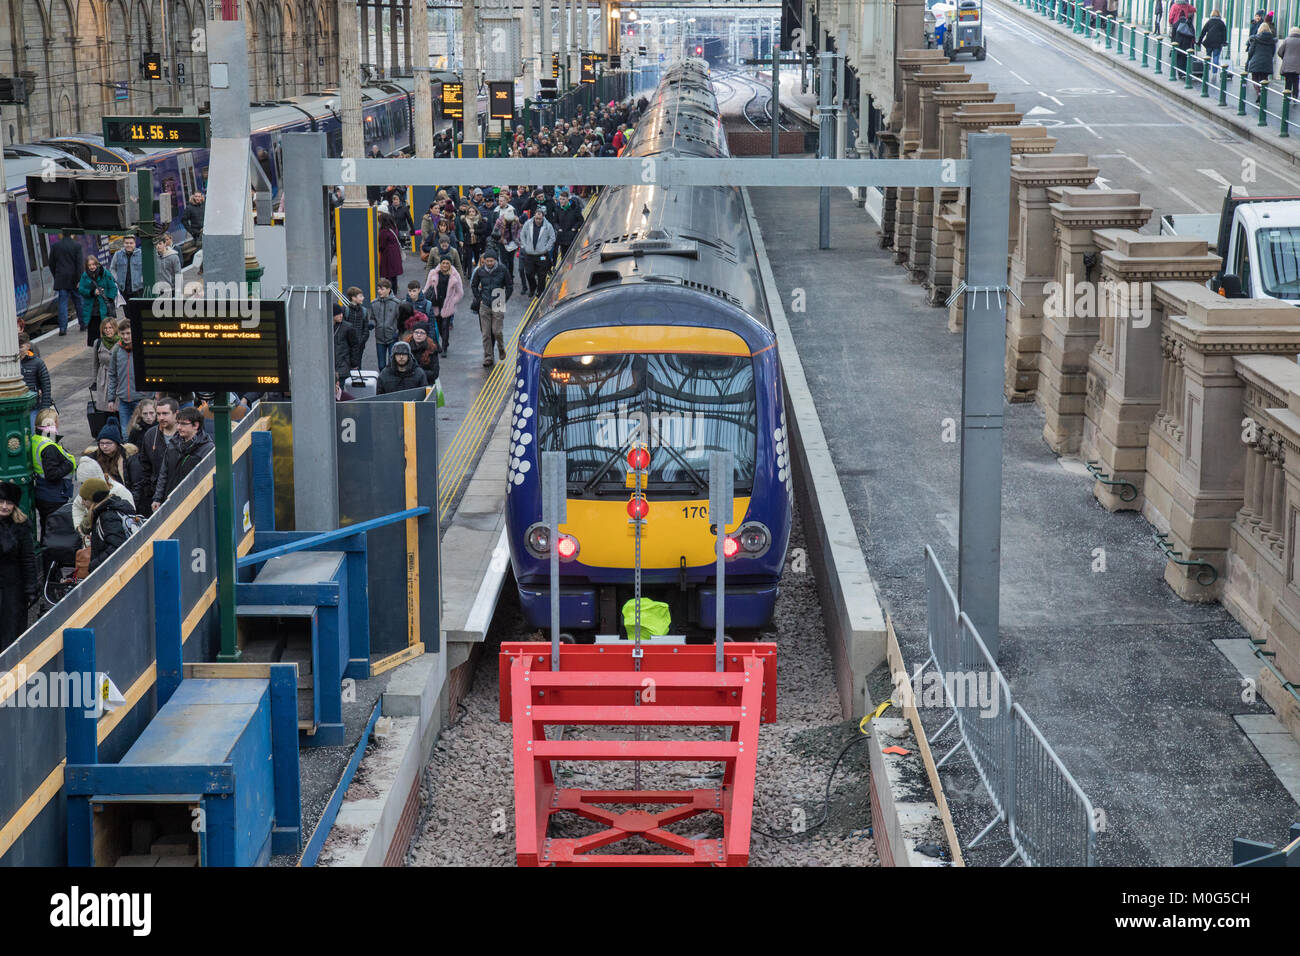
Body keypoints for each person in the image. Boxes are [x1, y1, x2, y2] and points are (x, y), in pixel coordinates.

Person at [151, 407, 213, 511]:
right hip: (170, 501)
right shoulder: (173, 444)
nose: (179, 427)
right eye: (178, 423)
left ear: (196, 425)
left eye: (183, 424)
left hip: (194, 505)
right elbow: (163, 473)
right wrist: (157, 498)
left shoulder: (207, 448)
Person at [0, 482, 37, 645]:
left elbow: (28, 559)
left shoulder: (21, 526)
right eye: (1, 502)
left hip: (13, 587)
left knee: (11, 630)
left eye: (9, 503)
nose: (4, 506)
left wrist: (30, 588)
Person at [31, 408, 76, 533]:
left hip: (43, 492)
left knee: (47, 528)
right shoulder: (49, 446)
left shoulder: (37, 438)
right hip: (54, 495)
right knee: (55, 532)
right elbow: (52, 474)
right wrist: (69, 464)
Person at [80, 477, 138, 572]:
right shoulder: (108, 511)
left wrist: (94, 565)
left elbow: (117, 547)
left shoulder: (107, 517)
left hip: (112, 572)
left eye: (85, 499)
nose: (82, 503)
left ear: (95, 498)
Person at [105, 322, 149, 434]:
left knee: (143, 432)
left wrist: (150, 396)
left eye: (128, 333)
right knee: (125, 433)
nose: (125, 336)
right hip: (123, 400)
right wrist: (111, 398)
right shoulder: (117, 350)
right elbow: (113, 374)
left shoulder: (144, 348)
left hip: (141, 399)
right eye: (123, 333)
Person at [470, 251, 511, 368]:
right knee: (486, 333)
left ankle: (501, 348)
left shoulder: (502, 270)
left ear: (495, 260)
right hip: (485, 303)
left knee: (497, 331)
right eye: (487, 261)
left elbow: (509, 286)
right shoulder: (480, 271)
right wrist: (479, 298)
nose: (489, 263)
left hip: (498, 302)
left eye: (491, 261)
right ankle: (488, 357)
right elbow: (474, 285)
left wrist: (503, 299)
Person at [84, 419, 142, 500]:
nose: (104, 446)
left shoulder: (129, 457)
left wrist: (131, 503)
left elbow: (137, 485)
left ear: (117, 444)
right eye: (102, 443)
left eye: (108, 443)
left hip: (125, 498)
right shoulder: (92, 459)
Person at [137, 396, 179, 507]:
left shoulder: (184, 434)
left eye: (165, 414)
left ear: (176, 414)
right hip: (156, 494)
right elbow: (144, 465)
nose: (161, 417)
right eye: (159, 414)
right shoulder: (150, 435)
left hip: (180, 491)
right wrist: (149, 490)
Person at [424, 255, 463, 355]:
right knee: (440, 326)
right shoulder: (433, 273)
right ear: (440, 263)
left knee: (445, 326)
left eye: (447, 263)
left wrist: (452, 302)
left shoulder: (455, 275)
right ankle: (445, 341)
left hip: (447, 305)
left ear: (450, 264)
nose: (445, 265)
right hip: (436, 304)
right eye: (443, 263)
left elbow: (460, 293)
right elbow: (427, 288)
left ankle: (444, 347)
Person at [78, 254, 118, 349]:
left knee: (107, 329)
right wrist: (92, 292)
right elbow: (81, 289)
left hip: (104, 307)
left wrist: (109, 298)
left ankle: (109, 348)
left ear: (97, 264)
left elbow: (113, 287)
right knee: (94, 333)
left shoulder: (105, 273)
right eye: (89, 265)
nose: (92, 267)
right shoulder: (85, 276)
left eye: (93, 264)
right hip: (92, 309)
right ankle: (97, 350)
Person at [48, 231, 84, 336]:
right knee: (78, 302)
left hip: (61, 279)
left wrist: (57, 275)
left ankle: (63, 329)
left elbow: (51, 263)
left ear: (62, 234)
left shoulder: (55, 246)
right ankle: (83, 323)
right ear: (72, 234)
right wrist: (79, 280)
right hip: (74, 279)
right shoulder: (77, 245)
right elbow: (79, 265)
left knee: (62, 304)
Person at [519, 205, 557, 299]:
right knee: (528, 273)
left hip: (542, 255)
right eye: (536, 218)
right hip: (529, 254)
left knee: (542, 275)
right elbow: (522, 235)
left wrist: (546, 248)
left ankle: (540, 292)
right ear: (534, 216)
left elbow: (552, 238)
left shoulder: (548, 226)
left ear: (543, 217)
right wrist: (524, 245)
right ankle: (533, 288)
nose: (538, 220)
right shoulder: (528, 224)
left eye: (540, 219)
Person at [18, 334, 52, 422]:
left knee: (32, 433)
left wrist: (45, 409)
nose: (18, 350)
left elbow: (46, 386)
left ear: (28, 346)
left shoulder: (38, 363)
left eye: (21, 347)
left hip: (33, 407)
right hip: (17, 408)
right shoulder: (11, 363)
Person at [370, 277, 402, 371]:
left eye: (382, 289)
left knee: (392, 363)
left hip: (392, 337)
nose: (379, 291)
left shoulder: (396, 303)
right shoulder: (374, 303)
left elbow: (400, 319)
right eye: (378, 289)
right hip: (379, 338)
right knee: (381, 365)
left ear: (388, 289)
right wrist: (371, 323)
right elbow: (372, 317)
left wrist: (397, 331)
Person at [492, 205, 522, 291]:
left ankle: (510, 276)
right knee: (504, 261)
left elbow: (520, 230)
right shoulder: (499, 221)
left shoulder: (516, 221)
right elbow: (495, 231)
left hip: (512, 243)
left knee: (510, 261)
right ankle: (506, 278)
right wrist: (501, 238)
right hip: (503, 243)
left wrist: (517, 238)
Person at [109, 234, 144, 307]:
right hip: (123, 289)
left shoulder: (141, 254)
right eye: (126, 243)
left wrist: (141, 280)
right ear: (123, 244)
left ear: (135, 244)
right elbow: (112, 268)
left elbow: (146, 269)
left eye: (131, 243)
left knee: (138, 312)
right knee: (127, 313)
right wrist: (117, 279)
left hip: (138, 289)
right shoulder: (117, 254)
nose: (129, 245)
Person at [344, 286, 370, 376]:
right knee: (347, 364)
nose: (363, 298)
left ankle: (357, 384)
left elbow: (366, 328)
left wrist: (362, 341)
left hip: (359, 344)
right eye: (360, 296)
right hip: (348, 344)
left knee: (358, 364)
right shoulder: (346, 310)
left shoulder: (364, 311)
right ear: (353, 298)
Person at [1248, 21, 1277, 100]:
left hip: (1256, 61)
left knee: (1255, 78)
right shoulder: (1272, 40)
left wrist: (1250, 58)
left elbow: (1251, 51)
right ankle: (1262, 92)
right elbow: (1273, 52)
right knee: (1264, 79)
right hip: (1267, 62)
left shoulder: (1255, 39)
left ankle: (1258, 92)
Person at [553, 190, 584, 261]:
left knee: (574, 256)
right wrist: (558, 229)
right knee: (564, 257)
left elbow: (581, 221)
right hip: (562, 237)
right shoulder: (558, 209)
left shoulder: (575, 208)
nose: (561, 201)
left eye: (563, 199)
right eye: (560, 199)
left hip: (572, 236)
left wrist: (574, 228)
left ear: (567, 199)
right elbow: (555, 222)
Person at [333, 301, 360, 385]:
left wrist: (354, 363)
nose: (341, 315)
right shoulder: (324, 327)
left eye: (342, 313)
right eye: (338, 314)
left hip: (343, 364)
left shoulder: (348, 327)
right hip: (332, 365)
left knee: (339, 390)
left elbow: (354, 346)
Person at [377, 212, 404, 292]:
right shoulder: (394, 228)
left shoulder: (384, 231)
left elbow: (381, 245)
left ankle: (389, 292)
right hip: (395, 253)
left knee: (388, 275)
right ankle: (394, 291)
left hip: (388, 255)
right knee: (394, 276)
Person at [1200, 9, 1228, 79]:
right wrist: (1224, 42)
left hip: (1209, 42)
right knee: (1216, 57)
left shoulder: (1209, 22)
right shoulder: (1221, 23)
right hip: (1218, 43)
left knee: (1208, 56)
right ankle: (1214, 73)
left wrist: (1199, 41)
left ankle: (1206, 69)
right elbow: (1224, 34)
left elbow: (1203, 32)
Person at [1171, 10, 1196, 79]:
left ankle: (1180, 73)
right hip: (1187, 45)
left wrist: (1172, 45)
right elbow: (1192, 34)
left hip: (1178, 45)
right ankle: (1185, 72)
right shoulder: (1189, 24)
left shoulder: (1175, 24)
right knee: (1186, 59)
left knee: (1179, 60)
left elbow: (1173, 37)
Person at [1278, 25, 1300, 97]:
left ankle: (1287, 96)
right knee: (1296, 80)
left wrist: (1284, 58)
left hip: (1287, 64)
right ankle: (1295, 95)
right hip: (1297, 64)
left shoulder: (1287, 40)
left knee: (1288, 80)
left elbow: (1280, 52)